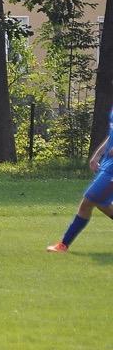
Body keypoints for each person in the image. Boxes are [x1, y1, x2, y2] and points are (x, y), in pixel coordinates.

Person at [47, 106, 113, 252]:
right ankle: (63, 245)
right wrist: (97, 155)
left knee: (87, 202)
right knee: (101, 203)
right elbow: (111, 136)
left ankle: (63, 245)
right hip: (107, 164)